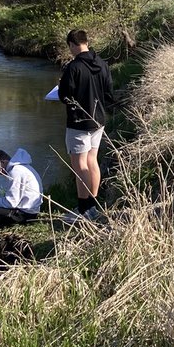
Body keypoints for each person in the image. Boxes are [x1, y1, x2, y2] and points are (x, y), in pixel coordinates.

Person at [58, 29, 114, 221]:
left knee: (79, 165)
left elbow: (64, 96)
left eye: (70, 47)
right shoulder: (102, 63)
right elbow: (109, 93)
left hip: (79, 122)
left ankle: (83, 210)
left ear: (73, 44)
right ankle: (94, 205)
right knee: (92, 161)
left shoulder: (73, 68)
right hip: (98, 120)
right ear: (86, 42)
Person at [0, 148, 43, 227]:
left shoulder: (15, 172)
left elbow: (11, 202)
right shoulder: (23, 167)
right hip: (32, 211)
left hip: (25, 215)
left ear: (2, 162)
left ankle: (0, 226)